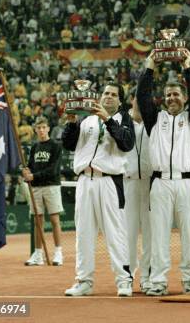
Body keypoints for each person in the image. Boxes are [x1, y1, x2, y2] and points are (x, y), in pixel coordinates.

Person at [137, 49, 190, 296]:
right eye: (168, 95)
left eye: (176, 94)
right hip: (161, 183)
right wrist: (149, 67)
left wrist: (188, 67)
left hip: (187, 183)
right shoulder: (154, 119)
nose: (172, 97)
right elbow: (142, 95)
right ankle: (157, 281)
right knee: (158, 236)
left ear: (185, 98)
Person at [61, 82, 135, 297]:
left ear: (120, 100)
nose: (108, 97)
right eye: (105, 93)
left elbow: (127, 143)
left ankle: (124, 280)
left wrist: (107, 119)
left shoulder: (124, 119)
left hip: (109, 181)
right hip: (85, 179)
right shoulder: (87, 120)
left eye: (113, 94)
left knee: (115, 233)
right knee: (83, 233)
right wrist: (72, 122)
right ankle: (84, 280)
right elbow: (68, 144)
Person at [22, 116, 64, 266]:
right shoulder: (34, 147)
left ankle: (58, 252)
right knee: (38, 221)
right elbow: (30, 165)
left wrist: (34, 175)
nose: (41, 130)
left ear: (48, 129)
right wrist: (26, 171)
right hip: (36, 187)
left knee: (54, 220)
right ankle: (38, 253)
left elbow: (53, 169)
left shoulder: (55, 146)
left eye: (43, 127)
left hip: (51, 185)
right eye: (38, 128)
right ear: (35, 130)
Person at [123, 89, 152, 294]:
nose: (140, 102)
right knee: (128, 233)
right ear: (132, 100)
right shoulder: (122, 122)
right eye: (137, 98)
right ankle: (127, 276)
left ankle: (148, 276)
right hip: (129, 182)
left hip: (151, 183)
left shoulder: (155, 123)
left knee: (151, 234)